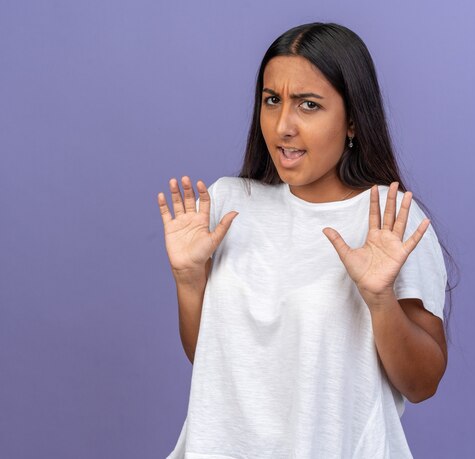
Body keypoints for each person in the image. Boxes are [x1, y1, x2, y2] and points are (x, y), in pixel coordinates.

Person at [158, 22, 450, 459]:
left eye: (308, 105)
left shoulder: (388, 220)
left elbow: (422, 384)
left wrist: (380, 299)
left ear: (352, 120)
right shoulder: (227, 204)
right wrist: (188, 280)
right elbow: (216, 363)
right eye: (272, 100)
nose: (282, 126)